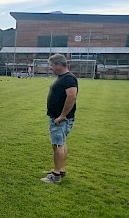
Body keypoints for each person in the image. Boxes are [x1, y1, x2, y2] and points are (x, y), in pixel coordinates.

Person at [41, 54, 78, 183]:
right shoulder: (63, 78)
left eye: (52, 65)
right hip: (58, 118)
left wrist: (62, 116)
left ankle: (56, 175)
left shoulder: (69, 79)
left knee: (58, 145)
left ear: (58, 64)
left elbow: (72, 96)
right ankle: (60, 169)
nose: (50, 68)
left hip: (60, 120)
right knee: (61, 143)